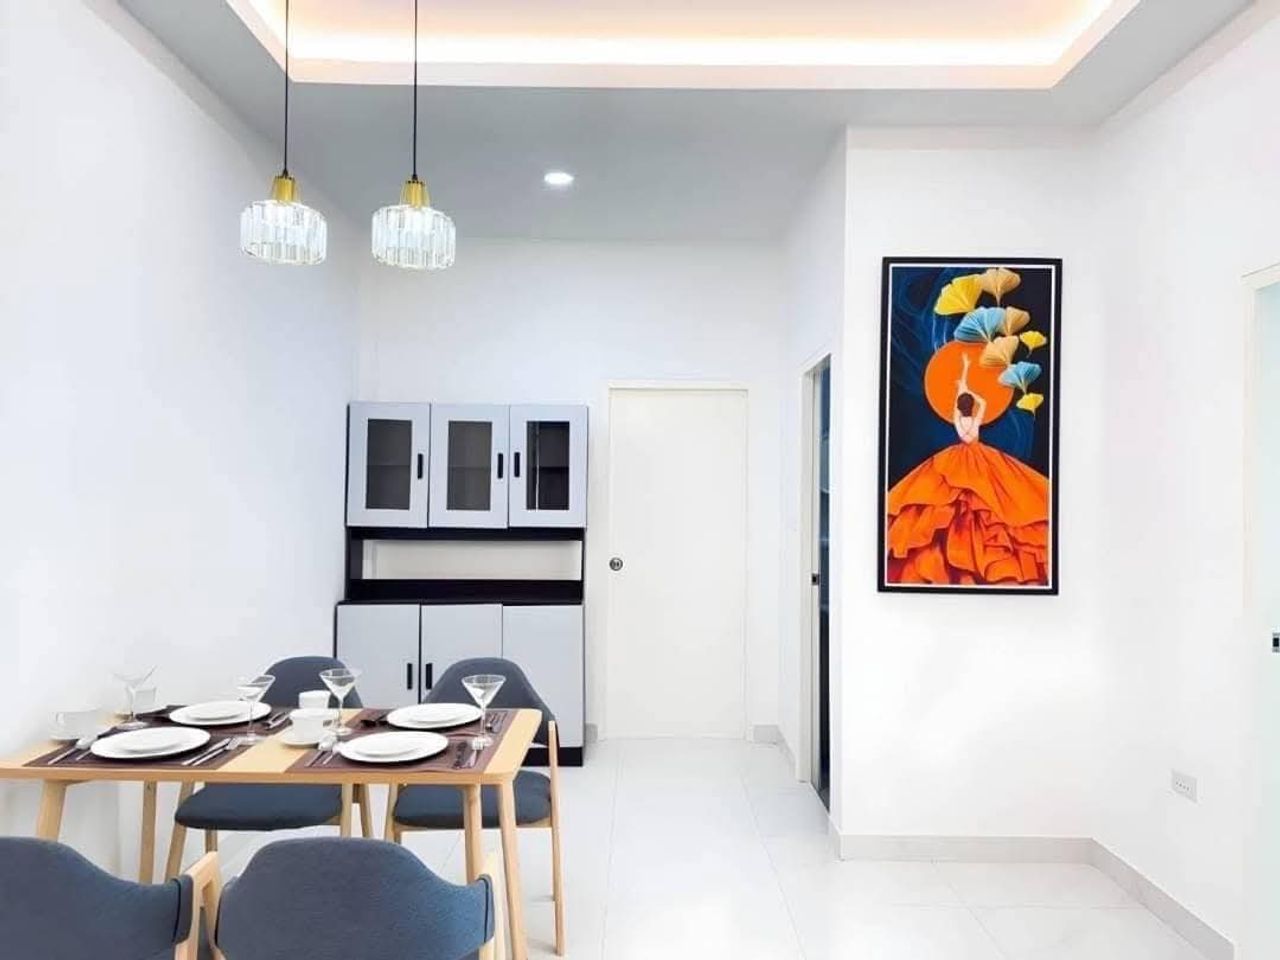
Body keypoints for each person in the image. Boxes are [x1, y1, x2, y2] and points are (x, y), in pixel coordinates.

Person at [885, 350, 1049, 585]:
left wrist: (964, 372)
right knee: (988, 499)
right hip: (979, 456)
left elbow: (960, 394)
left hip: (959, 455)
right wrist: (974, 393)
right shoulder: (976, 417)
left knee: (957, 500)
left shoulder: (958, 419)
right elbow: (980, 402)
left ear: (959, 406)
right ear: (972, 406)